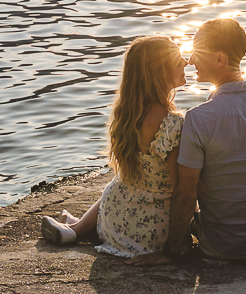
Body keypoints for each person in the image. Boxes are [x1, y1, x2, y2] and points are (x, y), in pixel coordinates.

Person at [130, 17, 246, 266]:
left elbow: (186, 195)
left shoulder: (197, 119)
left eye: (197, 52)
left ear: (219, 59)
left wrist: (171, 253)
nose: (191, 60)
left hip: (217, 247)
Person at [39, 35, 188, 257]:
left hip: (116, 219)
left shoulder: (128, 115)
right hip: (153, 233)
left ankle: (75, 227)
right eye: (178, 61)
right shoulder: (172, 123)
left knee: (123, 181)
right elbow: (180, 190)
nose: (186, 62)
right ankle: (75, 227)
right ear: (161, 72)